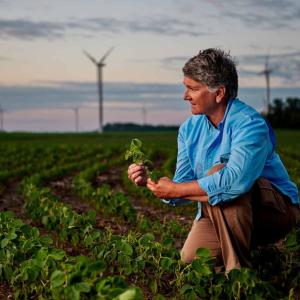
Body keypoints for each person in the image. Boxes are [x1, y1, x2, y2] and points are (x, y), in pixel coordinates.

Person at [127, 48, 299, 272]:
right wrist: (151, 181)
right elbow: (181, 186)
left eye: (193, 89)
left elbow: (234, 183)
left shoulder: (249, 124)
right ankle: (262, 258)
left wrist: (176, 190)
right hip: (224, 210)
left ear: (219, 93)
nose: (185, 95)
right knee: (192, 259)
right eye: (185, 87)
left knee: (219, 174)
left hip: (274, 210)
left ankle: (239, 275)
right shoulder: (189, 129)